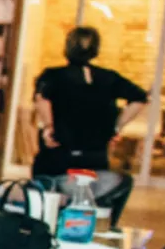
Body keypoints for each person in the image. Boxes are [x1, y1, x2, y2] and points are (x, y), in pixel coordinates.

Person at [34, 26, 150, 178]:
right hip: (95, 153)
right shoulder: (109, 77)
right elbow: (140, 98)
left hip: (60, 149)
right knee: (91, 193)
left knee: (49, 192)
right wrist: (116, 127)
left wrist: (49, 127)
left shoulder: (52, 76)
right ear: (95, 50)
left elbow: (42, 98)